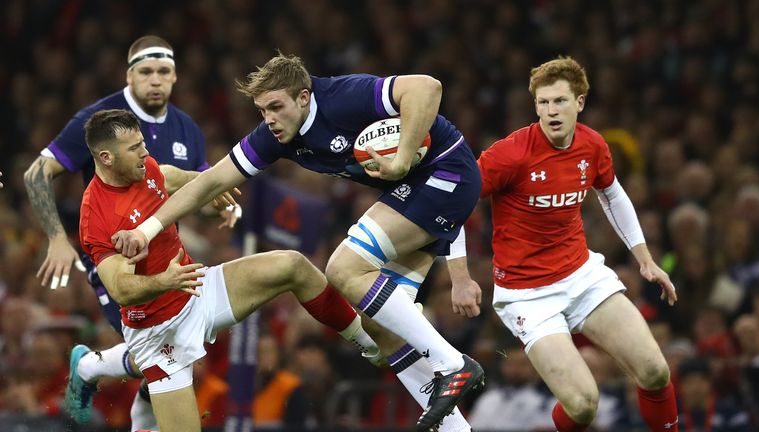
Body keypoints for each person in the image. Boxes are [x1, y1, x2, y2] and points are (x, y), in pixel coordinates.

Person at [112, 53, 485, 431]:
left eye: (276, 107)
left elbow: (427, 86)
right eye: (262, 110)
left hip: (445, 172)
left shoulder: (343, 96)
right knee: (381, 326)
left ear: (303, 97)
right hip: (421, 193)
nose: (268, 119)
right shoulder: (276, 137)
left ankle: (452, 364)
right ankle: (455, 427)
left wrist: (403, 157)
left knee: (343, 268)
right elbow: (208, 183)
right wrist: (145, 230)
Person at [78, 109, 379, 432]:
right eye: (134, 148)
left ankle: (368, 343)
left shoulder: (142, 168)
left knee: (293, 265)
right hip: (158, 331)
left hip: (197, 289)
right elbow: (120, 288)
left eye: (142, 143)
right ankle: (112, 392)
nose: (145, 152)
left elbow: (168, 175)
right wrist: (164, 280)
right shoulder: (97, 215)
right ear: (106, 157)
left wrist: (208, 190)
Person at [452, 57, 680, 432]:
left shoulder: (592, 145)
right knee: (583, 404)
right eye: (543, 103)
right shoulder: (510, 154)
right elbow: (453, 204)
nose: (550, 111)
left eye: (559, 101)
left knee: (655, 371)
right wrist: (459, 277)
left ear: (580, 102)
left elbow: (613, 194)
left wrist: (646, 260)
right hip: (527, 295)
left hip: (582, 276)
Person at [22, 35, 231, 429]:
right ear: (129, 76)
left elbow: (194, 187)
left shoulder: (186, 127)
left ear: (175, 77)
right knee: (157, 347)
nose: (155, 80)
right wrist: (55, 237)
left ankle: (108, 385)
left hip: (167, 252)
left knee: (170, 351)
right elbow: (36, 172)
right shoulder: (101, 119)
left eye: (163, 72)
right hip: (114, 255)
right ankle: (89, 369)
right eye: (146, 71)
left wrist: (224, 205)